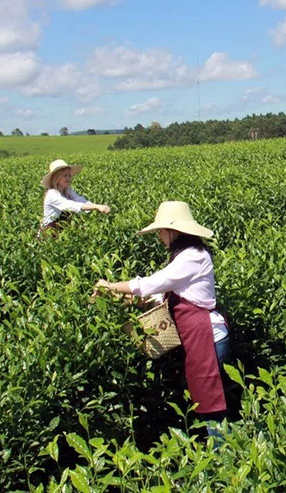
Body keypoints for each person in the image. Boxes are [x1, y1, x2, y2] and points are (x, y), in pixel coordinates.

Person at [92, 201, 235, 437]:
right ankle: (220, 447)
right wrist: (124, 298)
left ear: (173, 231)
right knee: (204, 399)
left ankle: (223, 452)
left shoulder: (193, 257)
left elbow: (151, 284)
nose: (159, 236)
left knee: (210, 402)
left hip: (209, 337)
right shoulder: (184, 256)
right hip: (200, 337)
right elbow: (164, 294)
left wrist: (110, 285)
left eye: (160, 231)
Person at [39, 159, 110, 237]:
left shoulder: (67, 191)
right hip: (49, 234)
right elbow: (69, 205)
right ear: (57, 177)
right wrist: (96, 206)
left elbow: (80, 200)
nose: (68, 178)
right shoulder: (52, 194)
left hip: (62, 232)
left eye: (69, 175)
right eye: (65, 175)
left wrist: (98, 206)